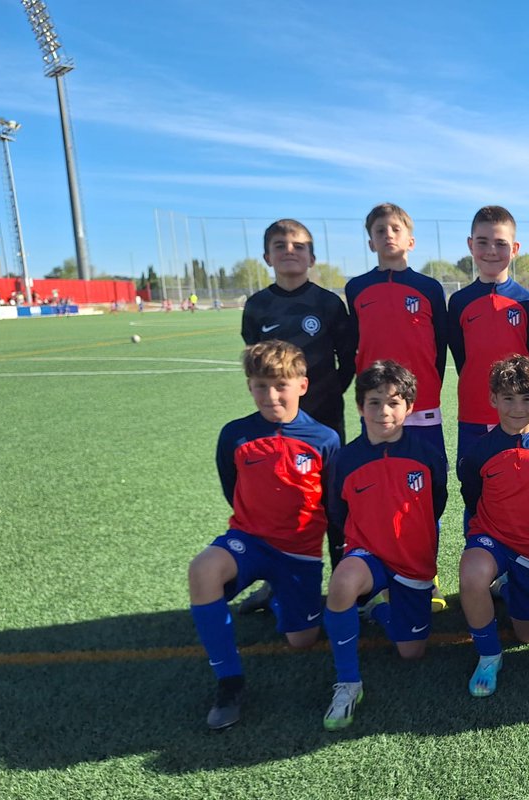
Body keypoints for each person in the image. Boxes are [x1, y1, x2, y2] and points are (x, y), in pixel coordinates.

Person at [186, 340, 341, 730]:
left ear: (302, 385)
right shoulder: (235, 435)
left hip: (300, 553)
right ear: (249, 387)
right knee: (202, 570)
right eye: (260, 386)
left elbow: (334, 506)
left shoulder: (325, 439)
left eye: (280, 385)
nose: (271, 395)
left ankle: (274, 595)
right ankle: (229, 682)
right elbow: (231, 486)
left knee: (302, 640)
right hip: (249, 541)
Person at [320, 360, 448, 730]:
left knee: (411, 652)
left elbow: (435, 503)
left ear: (409, 407)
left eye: (393, 402)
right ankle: (347, 683)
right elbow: (337, 512)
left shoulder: (427, 455)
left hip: (413, 563)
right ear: (360, 407)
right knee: (343, 583)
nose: (383, 412)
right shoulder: (346, 459)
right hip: (369, 554)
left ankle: (378, 608)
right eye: (374, 402)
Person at [238, 219, 357, 614]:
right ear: (266, 255)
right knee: (277, 502)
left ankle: (345, 587)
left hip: (324, 422)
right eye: (280, 244)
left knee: (333, 503)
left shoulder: (327, 304)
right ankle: (275, 584)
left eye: (299, 245)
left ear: (312, 256)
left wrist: (325, 395)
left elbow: (347, 359)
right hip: (274, 426)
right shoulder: (257, 306)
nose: (290, 250)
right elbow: (258, 364)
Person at [345, 203, 450, 607]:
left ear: (410, 239)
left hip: (422, 410)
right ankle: (380, 577)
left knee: (425, 495)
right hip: (376, 412)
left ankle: (426, 573)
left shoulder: (428, 288)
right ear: (369, 240)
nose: (388, 235)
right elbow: (353, 346)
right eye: (379, 230)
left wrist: (425, 391)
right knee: (377, 496)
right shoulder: (356, 289)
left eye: (395, 228)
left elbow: (439, 349)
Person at [457, 355, 529, 697]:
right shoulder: (478, 453)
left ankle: (506, 587)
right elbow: (472, 499)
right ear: (493, 399)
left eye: (526, 399)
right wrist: (486, 537)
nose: (517, 408)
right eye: (508, 398)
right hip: (491, 537)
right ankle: (489, 656)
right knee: (472, 575)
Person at [447, 206, 529, 468]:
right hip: (474, 412)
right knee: (473, 488)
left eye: (500, 243)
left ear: (515, 248)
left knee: (516, 485)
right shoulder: (458, 302)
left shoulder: (528, 302)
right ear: (470, 244)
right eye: (483, 242)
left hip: (516, 413)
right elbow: (461, 357)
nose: (491, 250)